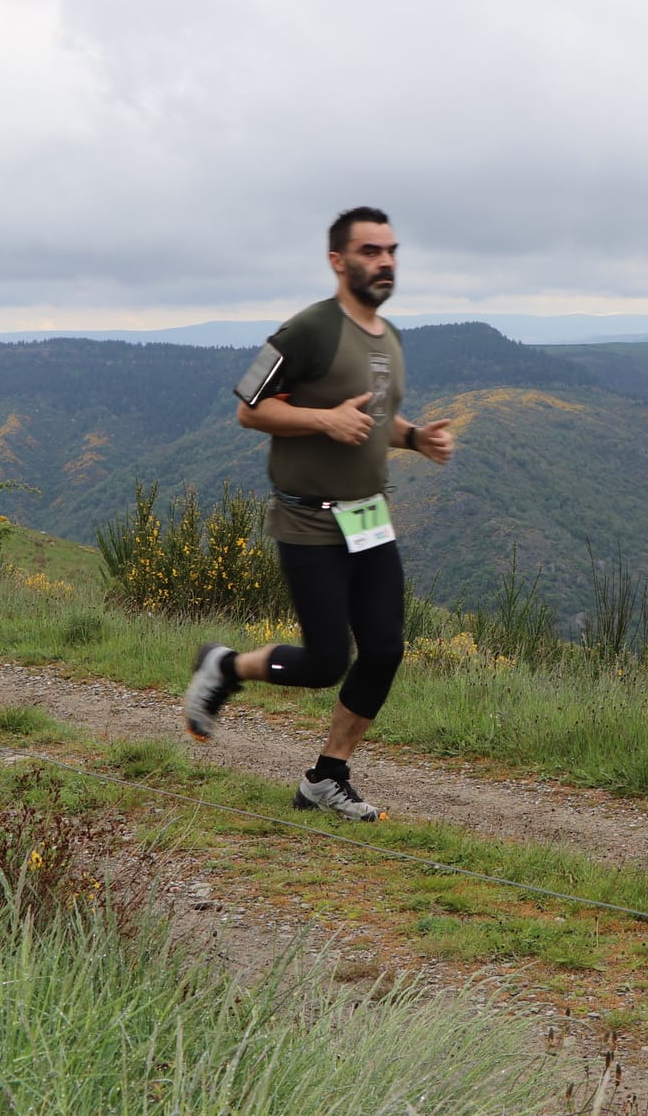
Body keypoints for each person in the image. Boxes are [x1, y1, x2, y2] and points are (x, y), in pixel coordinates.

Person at [182, 206, 456, 821]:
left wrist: (415, 438)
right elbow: (249, 407)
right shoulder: (307, 329)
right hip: (309, 520)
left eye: (391, 251)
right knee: (326, 661)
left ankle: (325, 778)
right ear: (338, 261)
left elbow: (374, 422)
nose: (383, 262)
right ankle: (224, 666)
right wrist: (321, 419)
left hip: (368, 518)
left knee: (384, 649)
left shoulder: (390, 340)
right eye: (368, 251)